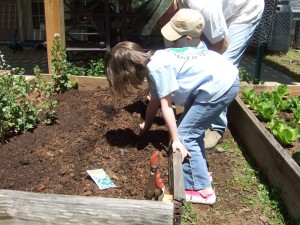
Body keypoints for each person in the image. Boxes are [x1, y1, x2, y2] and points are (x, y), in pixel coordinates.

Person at [105, 9, 240, 204]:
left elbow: (166, 106)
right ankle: (200, 173)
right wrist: (147, 126)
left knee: (185, 135)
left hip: (219, 85)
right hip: (215, 81)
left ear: (128, 72)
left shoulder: (158, 68)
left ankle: (202, 190)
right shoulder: (155, 61)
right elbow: (154, 104)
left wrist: (176, 139)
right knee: (189, 128)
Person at [131, 0, 264, 149]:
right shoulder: (174, 18)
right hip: (215, 16)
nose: (155, 25)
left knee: (219, 70)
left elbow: (222, 45)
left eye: (155, 19)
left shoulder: (202, 4)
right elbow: (174, 54)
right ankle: (196, 114)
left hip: (242, 12)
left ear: (166, 7)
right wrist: (161, 82)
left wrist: (196, 67)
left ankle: (215, 127)